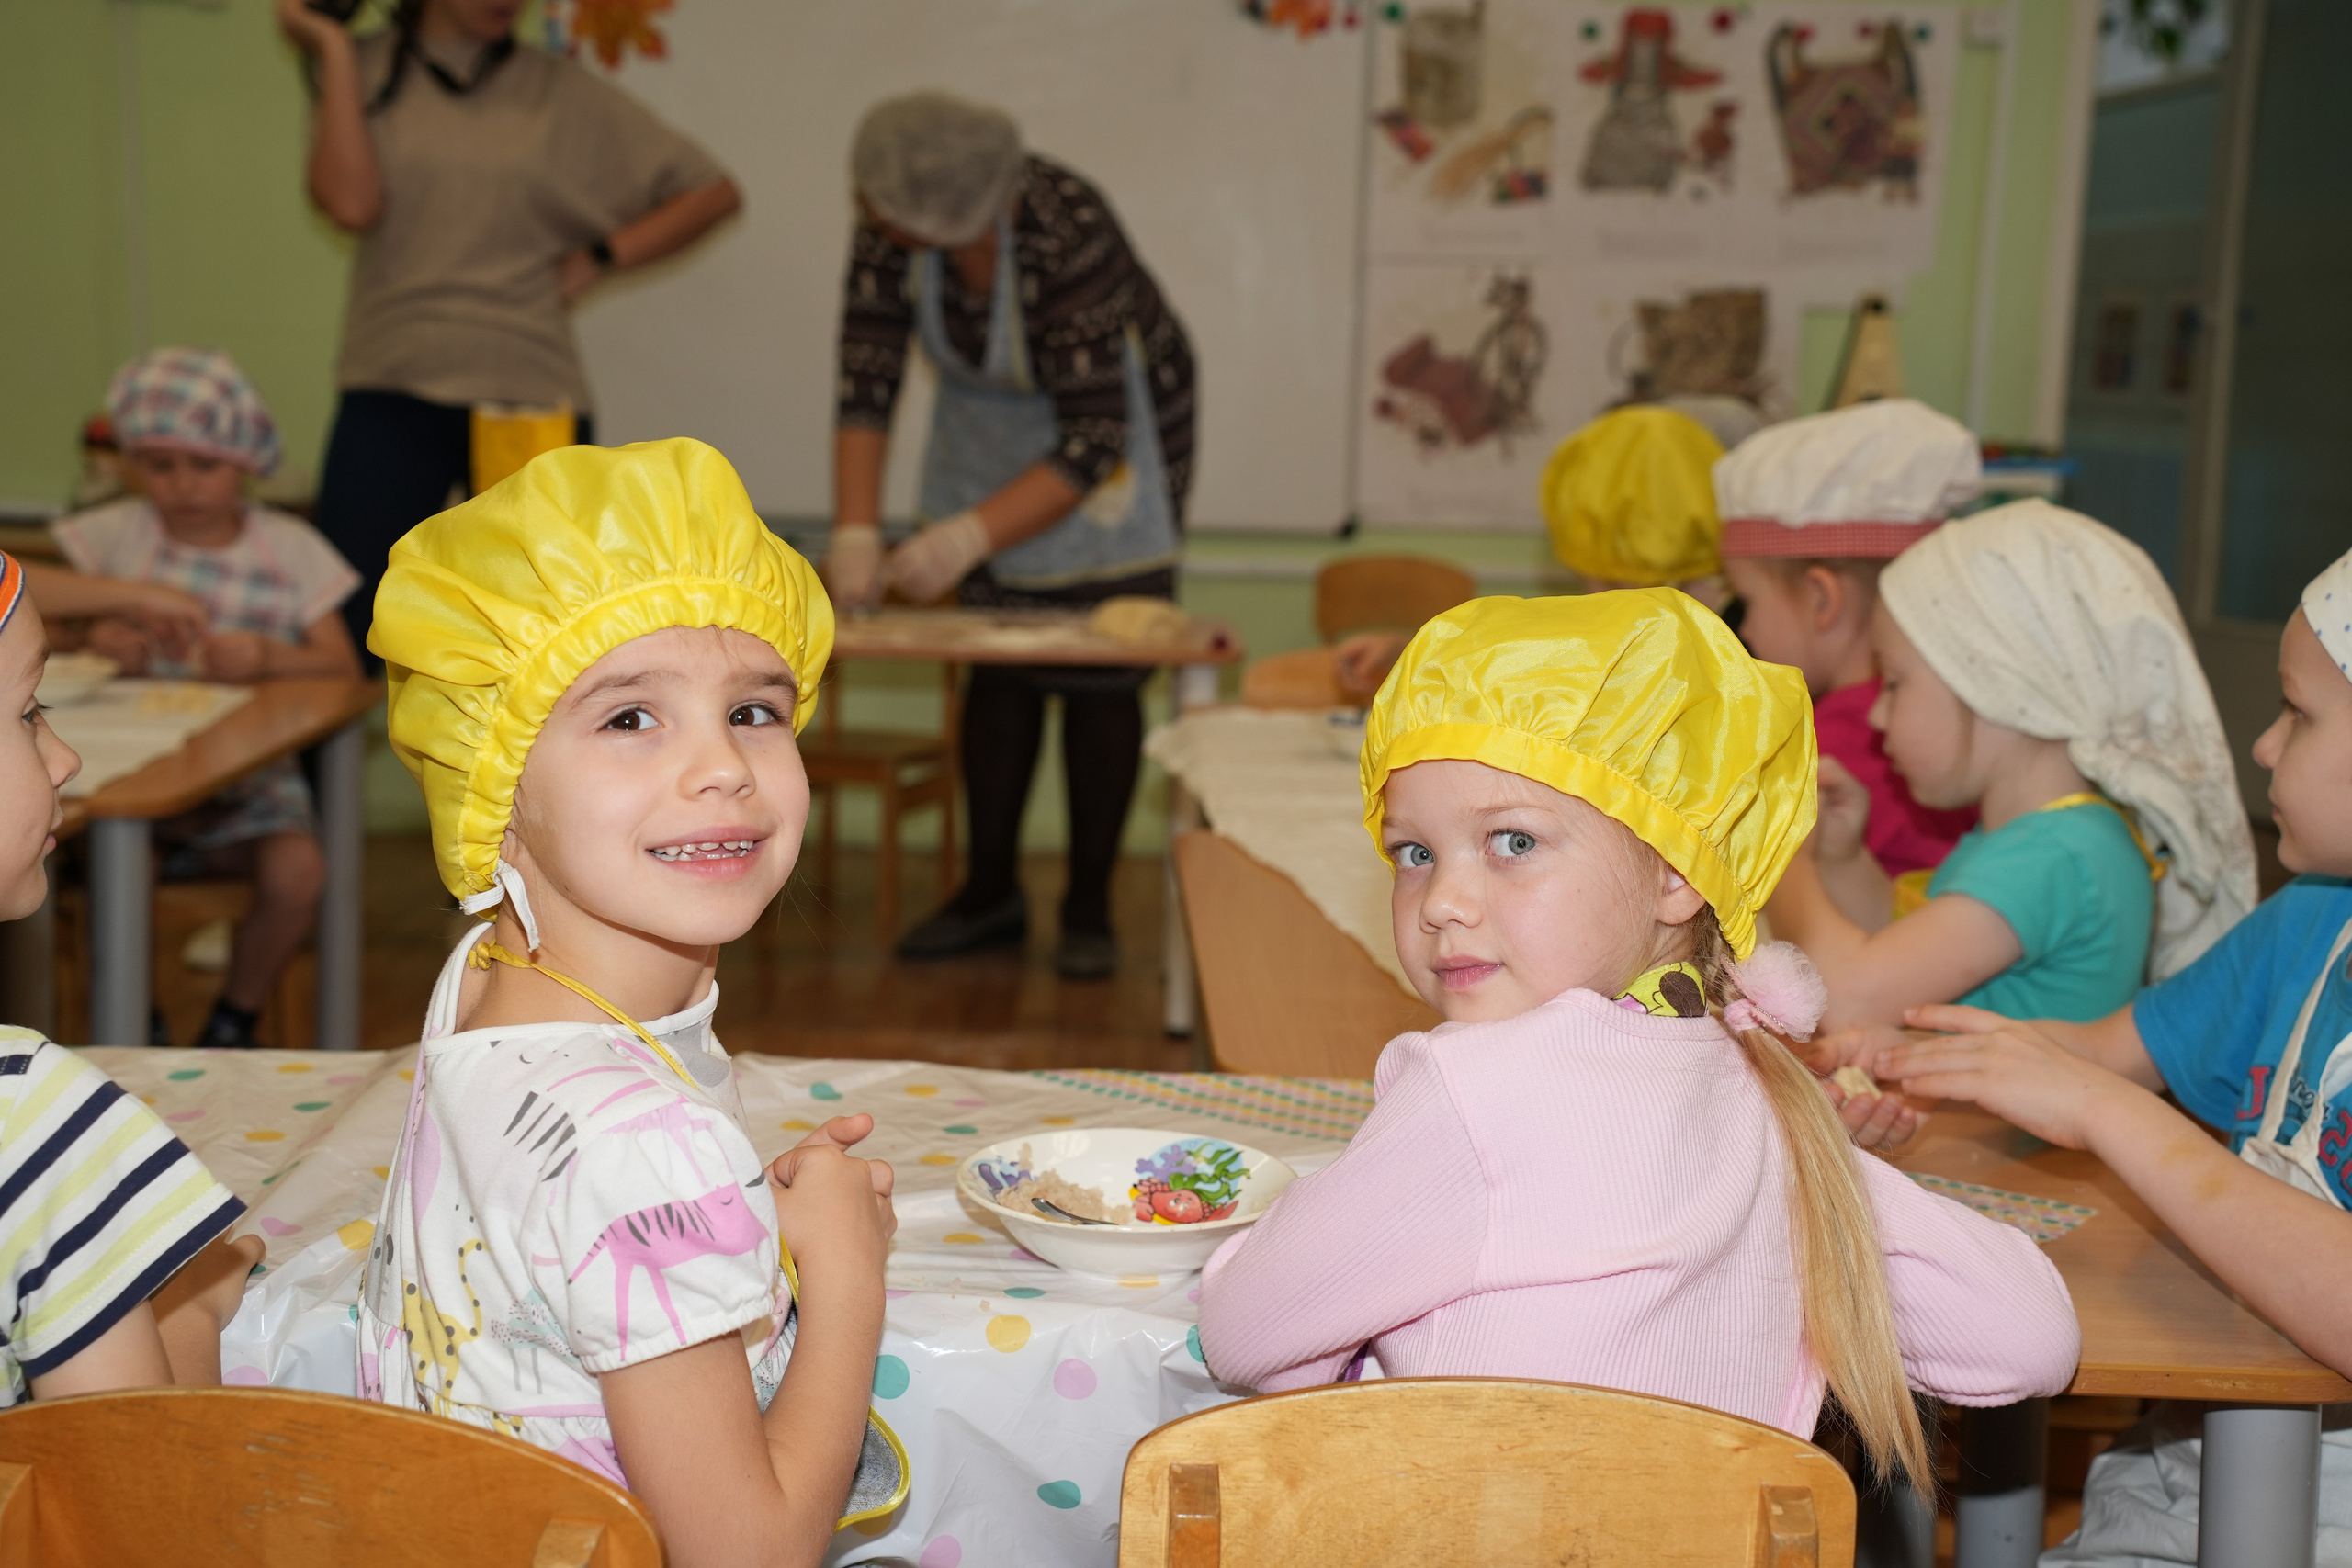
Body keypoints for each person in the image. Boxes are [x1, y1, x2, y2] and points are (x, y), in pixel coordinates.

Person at [1195, 592, 2080, 1495]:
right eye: (1414, 853)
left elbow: (1242, 1328)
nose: (1441, 902)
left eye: (1510, 841)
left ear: (1674, 875)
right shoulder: (1767, 1100)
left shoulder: (1472, 1092)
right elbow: (2028, 1338)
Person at [362, 440, 904, 1565]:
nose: (722, 767)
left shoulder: (484, 982)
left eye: (755, 711)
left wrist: (710, 1224)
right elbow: (747, 1554)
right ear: (491, 792)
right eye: (629, 719)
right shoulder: (644, 1147)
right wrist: (846, 1271)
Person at [1842, 548, 2352, 1562]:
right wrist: (1899, 1057)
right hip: (2185, 1458)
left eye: (2299, 714)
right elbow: (2110, 1051)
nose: (2260, 745)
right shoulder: (2313, 919)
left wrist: (2106, 1115)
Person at [827, 92, 1197, 979]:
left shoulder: (1067, 229)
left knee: (1097, 673)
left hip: (1114, 444)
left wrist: (960, 541)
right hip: (986, 443)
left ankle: (1089, 906)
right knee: (997, 667)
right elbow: (866, 377)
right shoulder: (893, 222)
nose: (876, 216)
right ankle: (989, 892)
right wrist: (854, 529)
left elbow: (1092, 437)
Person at [275, 0, 742, 661]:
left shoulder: (557, 89)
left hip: (526, 394)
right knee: (347, 633)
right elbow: (351, 204)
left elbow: (711, 191)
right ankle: (324, 773)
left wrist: (600, 257)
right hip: (392, 381)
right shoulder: (359, 68)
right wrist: (331, 43)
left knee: (546, 641)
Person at [1768, 501, 2255, 1032]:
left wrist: (1783, 846)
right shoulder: (2043, 837)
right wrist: (1842, 857)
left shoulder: (2060, 854)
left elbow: (1847, 1001)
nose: (1878, 717)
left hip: (1999, 1122)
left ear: (1994, 684)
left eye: (1894, 683)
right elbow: (1902, 955)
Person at [0, 551, 262, 1399]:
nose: (65, 755)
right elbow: (137, 1496)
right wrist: (187, 1312)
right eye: (30, 712)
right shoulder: (34, 1118)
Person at [50, 350, 362, 1050]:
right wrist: (94, 639)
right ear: (133, 465)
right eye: (161, 466)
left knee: (298, 868)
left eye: (205, 466)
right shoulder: (113, 536)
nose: (183, 486)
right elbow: (46, 633)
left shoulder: (289, 548)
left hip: (248, 785)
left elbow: (342, 668)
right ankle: (137, 1022)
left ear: (246, 463)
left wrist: (269, 656)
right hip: (133, 781)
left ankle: (234, 1020)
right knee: (116, 867)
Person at [1715, 399, 1982, 882]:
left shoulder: (1827, 748)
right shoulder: (1957, 724)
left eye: (1747, 600)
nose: (1746, 629)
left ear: (1822, 599)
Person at [1330, 403, 1728, 700]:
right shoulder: (1715, 619)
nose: (1595, 596)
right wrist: (1408, 651)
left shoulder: (1729, 650)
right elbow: (1523, 655)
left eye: (1603, 580)